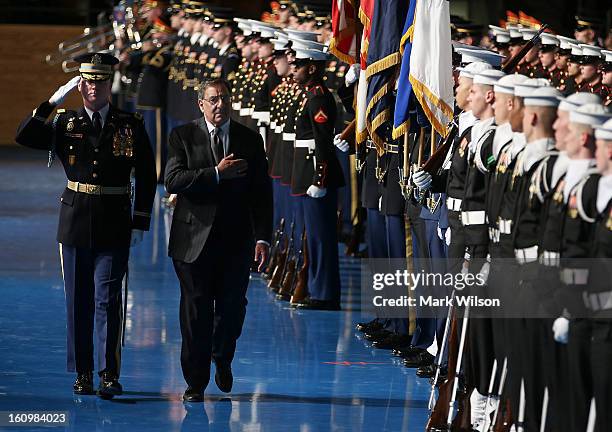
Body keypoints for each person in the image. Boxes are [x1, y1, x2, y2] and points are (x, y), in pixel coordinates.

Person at [14, 52, 157, 398]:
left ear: (110, 85)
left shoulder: (130, 124)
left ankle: (109, 372)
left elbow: (148, 176)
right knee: (78, 300)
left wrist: (140, 222)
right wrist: (52, 100)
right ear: (80, 85)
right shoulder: (66, 123)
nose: (94, 88)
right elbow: (24, 135)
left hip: (114, 220)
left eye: (100, 81)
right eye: (87, 82)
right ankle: (83, 371)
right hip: (75, 220)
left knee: (108, 299)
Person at [164, 78, 273, 402]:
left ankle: (222, 356)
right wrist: (215, 173)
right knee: (195, 312)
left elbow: (261, 194)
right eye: (212, 99)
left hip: (235, 241)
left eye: (224, 98)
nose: (219, 105)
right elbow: (173, 179)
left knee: (231, 309)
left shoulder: (249, 140)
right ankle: (195, 383)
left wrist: (263, 238)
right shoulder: (183, 136)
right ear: (201, 104)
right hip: (192, 241)